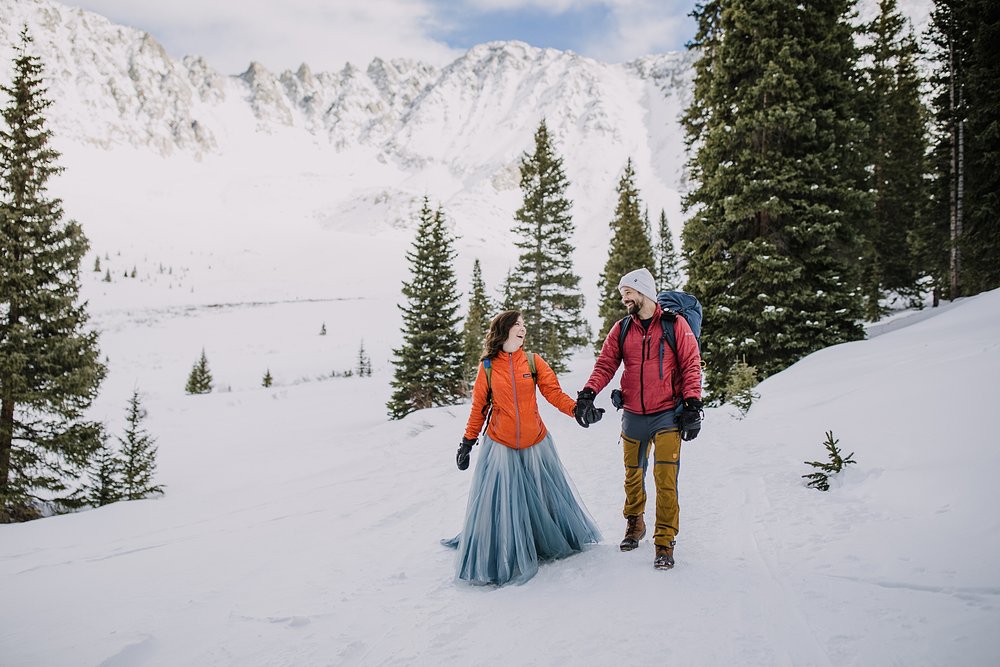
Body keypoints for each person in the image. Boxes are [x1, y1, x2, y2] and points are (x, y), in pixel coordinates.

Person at [442, 310, 601, 586]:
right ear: (504, 330)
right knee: (504, 503)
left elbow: (554, 393)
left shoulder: (533, 361)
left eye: (524, 325)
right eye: (518, 324)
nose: (523, 329)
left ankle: (540, 541)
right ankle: (506, 550)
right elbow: (479, 409)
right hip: (500, 444)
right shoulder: (489, 367)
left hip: (535, 442)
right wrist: (466, 443)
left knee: (542, 498)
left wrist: (577, 411)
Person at [574, 268, 703, 570]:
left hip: (668, 414)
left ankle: (664, 542)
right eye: (622, 294)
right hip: (633, 413)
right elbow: (606, 363)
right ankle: (635, 523)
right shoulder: (621, 329)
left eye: (628, 293)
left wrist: (693, 405)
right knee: (633, 475)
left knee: (665, 479)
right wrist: (587, 393)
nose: (624, 299)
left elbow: (691, 364)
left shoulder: (675, 325)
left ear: (643, 291)